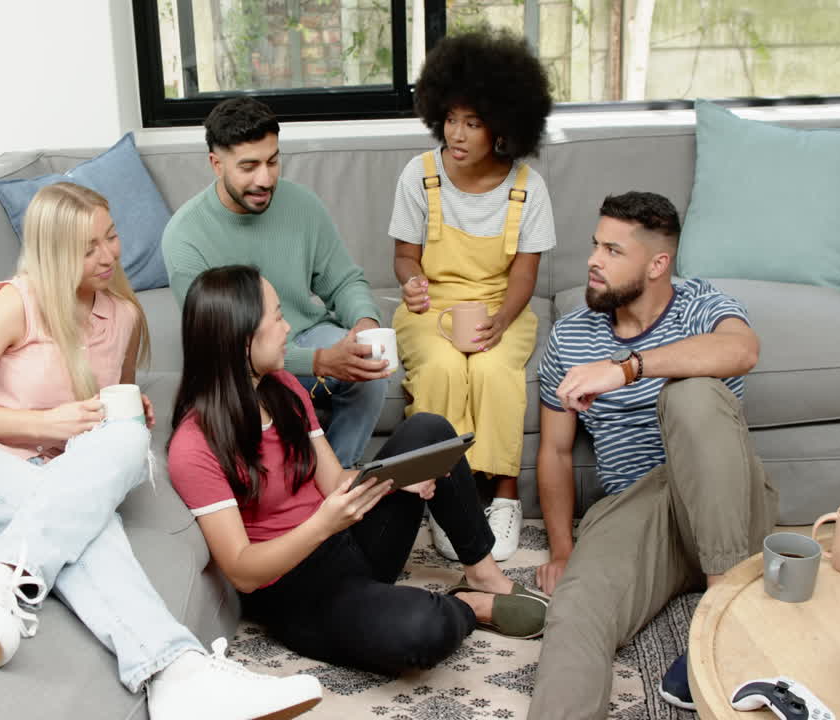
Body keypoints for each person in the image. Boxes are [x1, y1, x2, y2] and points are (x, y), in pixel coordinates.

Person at [0, 183, 323, 720]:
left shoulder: (122, 317)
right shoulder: (18, 303)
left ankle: (172, 676)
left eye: (111, 237)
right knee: (91, 527)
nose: (107, 255)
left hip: (55, 479)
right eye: (87, 248)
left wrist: (122, 417)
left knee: (127, 441)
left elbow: (107, 412)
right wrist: (41, 423)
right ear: (54, 250)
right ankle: (172, 668)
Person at [166, 265, 549, 676]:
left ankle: (483, 575)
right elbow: (241, 571)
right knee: (422, 629)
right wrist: (323, 524)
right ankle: (466, 606)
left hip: (348, 542)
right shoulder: (194, 446)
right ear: (243, 340)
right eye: (276, 317)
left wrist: (395, 478)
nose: (288, 327)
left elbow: (334, 482)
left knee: (430, 431)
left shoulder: (284, 389)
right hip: (296, 592)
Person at [528, 192, 778, 718]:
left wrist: (625, 368)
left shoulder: (701, 305)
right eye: (596, 245)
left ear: (659, 263)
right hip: (639, 516)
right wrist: (561, 551)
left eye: (614, 251)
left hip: (729, 505)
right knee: (573, 613)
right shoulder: (571, 336)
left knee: (690, 392)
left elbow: (742, 351)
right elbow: (553, 450)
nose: (594, 260)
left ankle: (722, 620)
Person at [389, 27, 556, 562]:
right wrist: (411, 283)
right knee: (440, 369)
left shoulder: (528, 186)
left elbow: (525, 279)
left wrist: (501, 322)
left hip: (502, 306)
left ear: (502, 128)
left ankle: (503, 495)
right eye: (451, 120)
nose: (456, 135)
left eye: (473, 122)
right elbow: (404, 257)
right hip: (432, 307)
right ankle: (449, 500)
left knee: (491, 372)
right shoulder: (420, 175)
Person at [162, 96, 389, 469]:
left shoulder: (302, 205)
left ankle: (338, 482)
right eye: (249, 166)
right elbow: (219, 347)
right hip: (240, 363)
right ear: (216, 164)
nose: (265, 179)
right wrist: (317, 361)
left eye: (272, 161)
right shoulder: (184, 237)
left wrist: (365, 324)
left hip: (302, 334)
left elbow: (345, 281)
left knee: (370, 370)